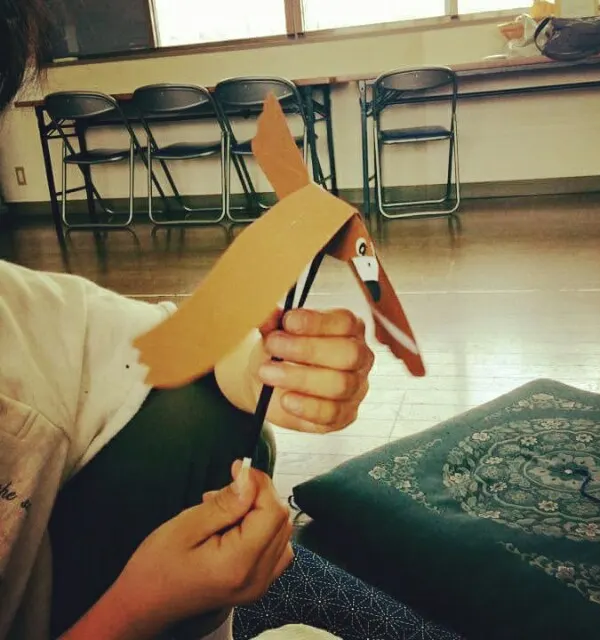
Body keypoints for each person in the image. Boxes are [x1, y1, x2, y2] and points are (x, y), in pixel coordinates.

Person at [0, 2, 374, 639]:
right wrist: (137, 612)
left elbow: (175, 348)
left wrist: (264, 367)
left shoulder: (29, 315)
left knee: (201, 405)